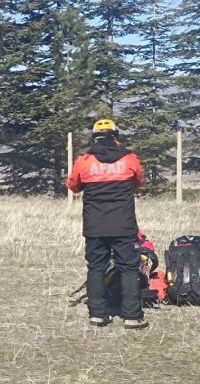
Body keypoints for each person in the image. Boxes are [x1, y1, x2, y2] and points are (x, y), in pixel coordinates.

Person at [66, 118, 147, 329]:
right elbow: (138, 182)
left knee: (96, 268)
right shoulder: (129, 158)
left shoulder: (84, 160)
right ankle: (132, 316)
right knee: (129, 268)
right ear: (116, 135)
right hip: (124, 224)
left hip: (95, 225)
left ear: (94, 136)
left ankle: (97, 314)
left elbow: (73, 186)